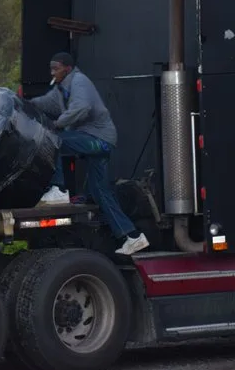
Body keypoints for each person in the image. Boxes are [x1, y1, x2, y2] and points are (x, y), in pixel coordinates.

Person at [28, 52, 149, 256]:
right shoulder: (62, 88)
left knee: (54, 140)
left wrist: (57, 124)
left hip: (98, 140)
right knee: (100, 192)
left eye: (55, 68)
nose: (52, 72)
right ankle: (133, 237)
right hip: (95, 141)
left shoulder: (79, 81)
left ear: (67, 68)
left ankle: (58, 189)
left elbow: (81, 107)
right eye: (51, 68)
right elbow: (48, 103)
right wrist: (27, 102)